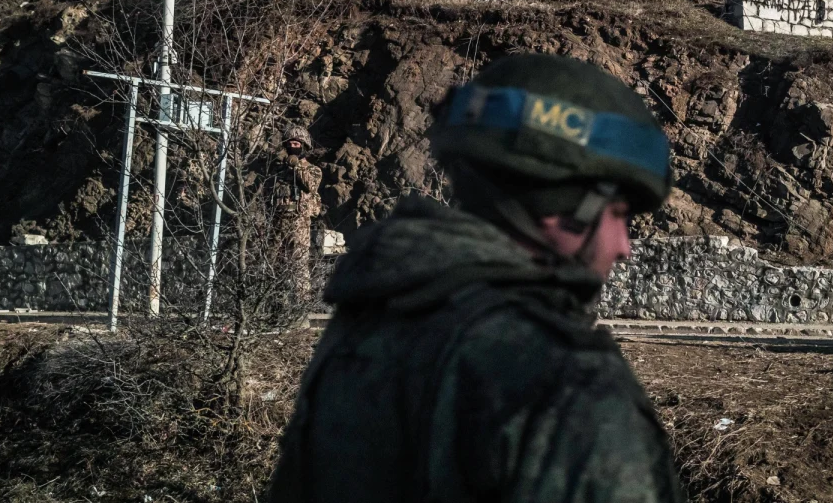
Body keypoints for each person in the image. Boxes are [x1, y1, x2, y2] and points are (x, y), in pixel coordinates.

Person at [269, 53, 684, 503]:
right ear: (557, 206)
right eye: (618, 215)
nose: (623, 246)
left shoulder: (367, 322)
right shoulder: (559, 380)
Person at [270, 126, 323, 299]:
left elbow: (310, 186)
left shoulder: (313, 170)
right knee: (275, 263)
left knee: (298, 264)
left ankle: (301, 305)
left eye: (296, 143)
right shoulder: (279, 171)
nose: (293, 147)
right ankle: (276, 302)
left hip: (299, 222)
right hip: (278, 221)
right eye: (290, 143)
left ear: (304, 146)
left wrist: (297, 165)